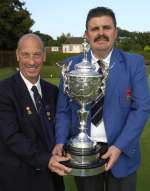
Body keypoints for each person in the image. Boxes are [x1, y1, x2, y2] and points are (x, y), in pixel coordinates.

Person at [53, 7, 150, 191]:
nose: (101, 33)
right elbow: (63, 110)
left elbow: (142, 108)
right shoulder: (70, 66)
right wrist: (60, 141)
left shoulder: (134, 63)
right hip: (83, 154)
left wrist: (119, 147)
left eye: (106, 27)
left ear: (116, 32)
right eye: (95, 29)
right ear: (86, 34)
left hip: (122, 153)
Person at [0, 33, 71, 191]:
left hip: (53, 180)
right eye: (26, 55)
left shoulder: (53, 91)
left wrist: (69, 147)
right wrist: (47, 160)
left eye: (37, 55)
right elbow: (12, 137)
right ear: (18, 55)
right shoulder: (4, 91)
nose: (31, 62)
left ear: (44, 56)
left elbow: (61, 125)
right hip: (19, 180)